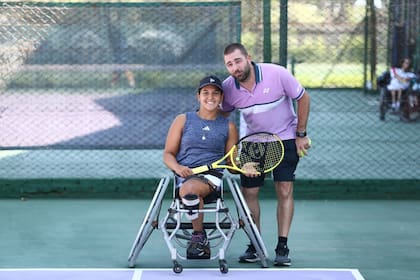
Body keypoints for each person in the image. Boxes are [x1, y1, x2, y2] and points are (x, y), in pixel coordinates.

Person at [220, 43, 311, 266]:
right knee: (248, 192)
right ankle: (255, 243)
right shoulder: (229, 88)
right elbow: (221, 115)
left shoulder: (277, 74)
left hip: (285, 137)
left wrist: (301, 133)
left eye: (238, 61)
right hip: (253, 142)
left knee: (284, 189)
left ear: (248, 58)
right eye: (229, 64)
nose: (235, 68)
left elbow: (303, 98)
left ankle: (282, 246)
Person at [163, 75, 239, 259]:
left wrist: (246, 168)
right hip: (184, 175)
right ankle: (199, 236)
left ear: (221, 98)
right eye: (205, 93)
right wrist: (178, 167)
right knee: (188, 187)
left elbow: (232, 165)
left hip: (211, 178)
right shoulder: (183, 120)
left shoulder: (228, 127)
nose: (210, 97)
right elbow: (168, 154)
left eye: (215, 93)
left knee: (190, 190)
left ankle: (198, 236)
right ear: (198, 96)